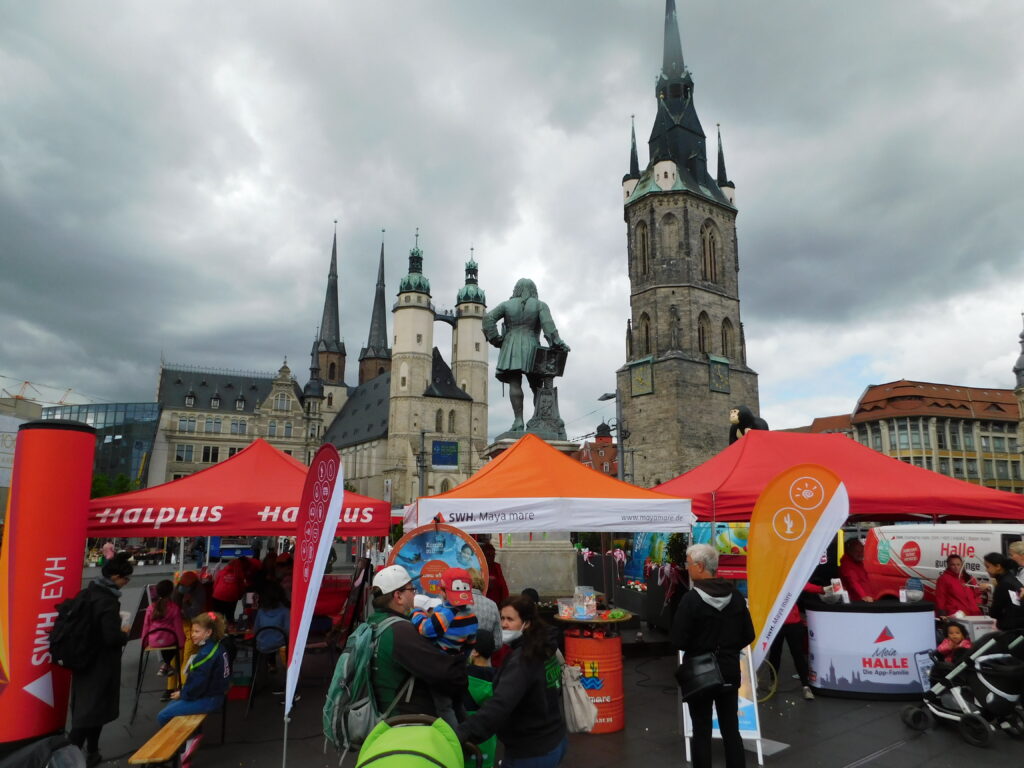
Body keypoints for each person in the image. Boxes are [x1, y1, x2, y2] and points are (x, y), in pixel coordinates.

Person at [457, 596, 566, 768]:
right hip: (552, 738)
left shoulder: (524, 659)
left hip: (530, 751)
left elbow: (500, 704)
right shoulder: (544, 647)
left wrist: (461, 734)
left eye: (510, 619)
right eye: (502, 618)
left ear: (526, 623)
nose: (504, 624)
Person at [671, 544, 754, 768]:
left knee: (701, 730)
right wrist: (728, 649)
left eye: (689, 563)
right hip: (729, 670)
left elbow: (678, 640)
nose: (687, 568)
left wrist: (700, 647)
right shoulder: (736, 596)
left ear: (700, 566)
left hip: (700, 673)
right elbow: (749, 634)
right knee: (731, 729)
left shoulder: (691, 600)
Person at [367, 565, 468, 717]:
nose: (415, 594)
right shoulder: (400, 631)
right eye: (412, 590)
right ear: (398, 596)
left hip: (383, 715)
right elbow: (445, 673)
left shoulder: (373, 622)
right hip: (407, 721)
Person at [68, 553, 133, 767]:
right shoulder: (107, 601)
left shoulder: (89, 592)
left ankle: (92, 751)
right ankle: (68, 758)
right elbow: (111, 637)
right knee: (90, 713)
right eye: (125, 578)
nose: (126, 582)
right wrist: (124, 633)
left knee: (90, 711)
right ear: (115, 577)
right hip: (100, 665)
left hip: (83, 660)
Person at [482, 277, 570, 433]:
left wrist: (496, 339)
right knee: (537, 386)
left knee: (514, 383)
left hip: (511, 346)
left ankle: (518, 421)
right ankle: (541, 420)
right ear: (534, 290)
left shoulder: (506, 305)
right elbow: (548, 327)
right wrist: (558, 343)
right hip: (532, 347)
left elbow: (488, 318)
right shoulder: (540, 305)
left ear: (516, 290)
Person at [156, 612, 232, 727]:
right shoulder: (218, 646)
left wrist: (183, 694)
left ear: (208, 632)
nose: (192, 635)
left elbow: (197, 685)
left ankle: (187, 737)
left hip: (209, 699)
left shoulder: (205, 654)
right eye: (192, 631)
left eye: (197, 631)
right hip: (215, 694)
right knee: (172, 704)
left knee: (163, 716)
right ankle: (194, 734)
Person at [765, 583, 822, 701]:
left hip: (793, 623)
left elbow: (803, 584)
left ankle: (805, 686)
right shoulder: (772, 579)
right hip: (776, 624)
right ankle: (773, 681)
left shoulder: (790, 578)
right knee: (775, 654)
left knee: (797, 654)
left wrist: (822, 589)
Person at [142, 580, 186, 700]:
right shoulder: (174, 608)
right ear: (171, 592)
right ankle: (167, 665)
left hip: (153, 640)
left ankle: (166, 666)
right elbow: (178, 628)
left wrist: (144, 642)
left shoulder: (151, 607)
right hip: (169, 639)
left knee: (163, 643)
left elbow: (146, 625)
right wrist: (181, 643)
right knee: (173, 644)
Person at [253, 582, 290, 673]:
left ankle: (269, 667)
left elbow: (255, 630)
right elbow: (288, 631)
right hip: (280, 645)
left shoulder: (260, 612)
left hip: (262, 646)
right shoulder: (285, 611)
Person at [982, 552, 1024, 630]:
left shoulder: (1004, 584)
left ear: (998, 566)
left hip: (1010, 628)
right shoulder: (1011, 579)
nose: (986, 570)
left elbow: (995, 611)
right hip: (1017, 626)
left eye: (988, 567)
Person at [211, 556, 251, 620]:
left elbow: (215, 585)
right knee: (229, 617)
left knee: (217, 618)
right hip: (231, 599)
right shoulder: (239, 574)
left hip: (217, 597)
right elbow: (241, 588)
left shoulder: (222, 572)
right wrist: (239, 597)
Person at [470, 572, 501, 651]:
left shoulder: (456, 603)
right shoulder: (493, 605)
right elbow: (498, 642)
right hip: (483, 656)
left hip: (459, 656)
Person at [838, 538, 873, 602]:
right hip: (858, 601)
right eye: (857, 552)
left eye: (862, 551)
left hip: (866, 598)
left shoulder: (858, 561)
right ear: (849, 551)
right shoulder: (847, 564)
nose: (861, 554)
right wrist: (864, 596)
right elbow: (853, 582)